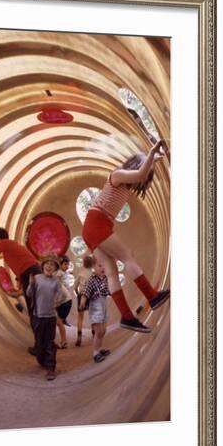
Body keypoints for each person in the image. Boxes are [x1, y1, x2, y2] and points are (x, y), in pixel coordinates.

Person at [81, 140, 170, 333]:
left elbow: (141, 174)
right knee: (127, 256)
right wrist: (152, 152)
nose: (142, 180)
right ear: (136, 166)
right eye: (145, 172)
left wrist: (154, 159)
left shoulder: (126, 184)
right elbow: (139, 174)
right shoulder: (118, 174)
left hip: (93, 225)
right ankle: (152, 296)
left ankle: (127, 317)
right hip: (96, 222)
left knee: (112, 272)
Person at [0, 228, 41, 353]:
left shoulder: (4, 243)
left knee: (34, 311)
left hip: (30, 273)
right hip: (33, 272)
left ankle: (40, 347)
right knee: (38, 309)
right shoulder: (11, 247)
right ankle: (46, 342)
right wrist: (18, 292)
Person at [26, 255, 63, 380]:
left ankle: (51, 368)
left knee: (50, 343)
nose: (49, 266)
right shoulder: (36, 279)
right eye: (47, 264)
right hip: (38, 316)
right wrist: (31, 284)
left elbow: (60, 296)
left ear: (55, 268)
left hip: (50, 316)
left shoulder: (56, 282)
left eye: (52, 265)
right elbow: (29, 294)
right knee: (39, 343)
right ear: (42, 266)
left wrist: (57, 301)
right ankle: (42, 360)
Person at [79, 255, 111, 363]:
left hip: (103, 306)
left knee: (103, 331)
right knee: (98, 331)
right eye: (100, 266)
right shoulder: (91, 280)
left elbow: (109, 291)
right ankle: (95, 353)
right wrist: (83, 302)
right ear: (94, 266)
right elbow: (85, 291)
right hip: (96, 307)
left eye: (104, 266)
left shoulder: (105, 278)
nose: (103, 268)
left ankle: (100, 348)